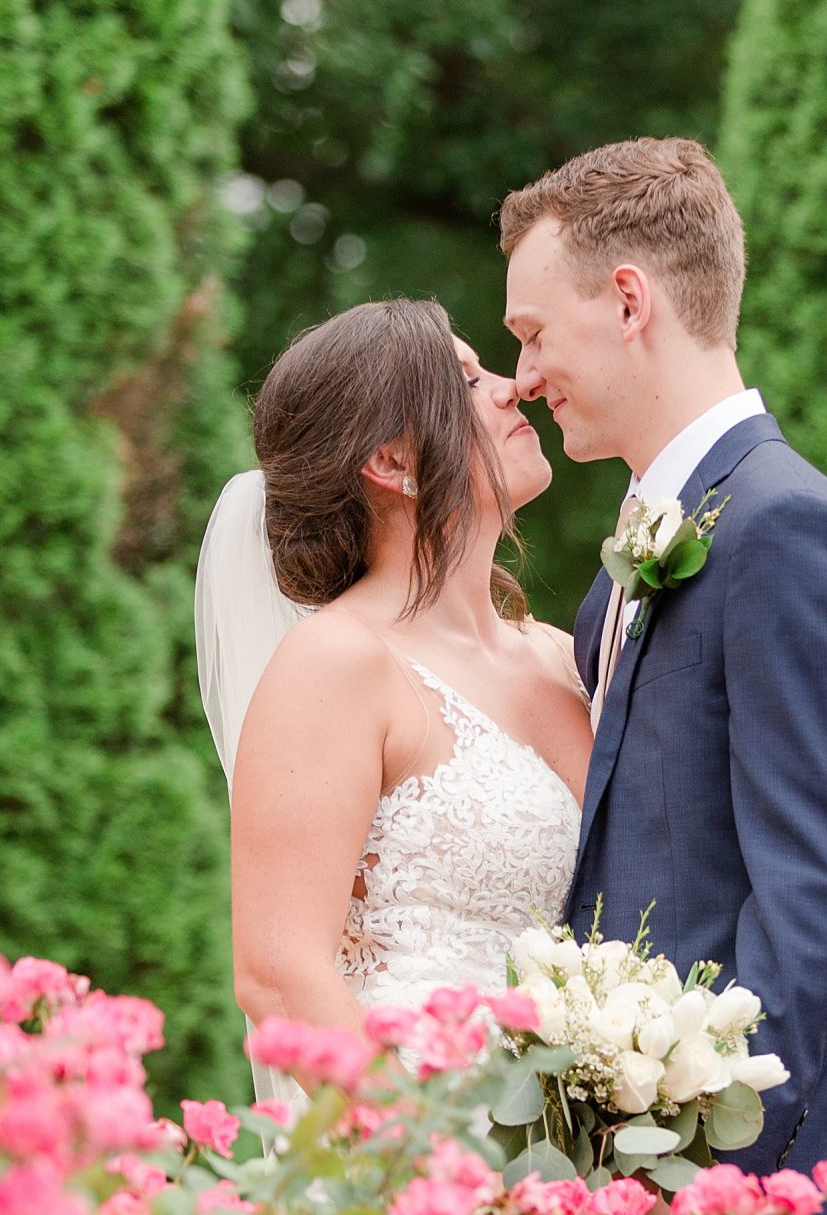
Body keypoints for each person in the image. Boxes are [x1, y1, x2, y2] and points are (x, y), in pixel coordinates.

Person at [500, 136, 827, 1204]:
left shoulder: (783, 530)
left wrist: (701, 1169)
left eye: (531, 332)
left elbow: (820, 895)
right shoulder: (627, 573)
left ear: (628, 300)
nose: (522, 375)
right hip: (657, 1194)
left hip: (773, 1183)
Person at [195, 298, 589, 1105]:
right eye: (468, 381)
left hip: (581, 1155)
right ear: (391, 460)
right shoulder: (338, 662)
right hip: (425, 1157)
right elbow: (278, 975)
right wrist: (435, 1166)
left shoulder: (562, 656)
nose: (512, 388)